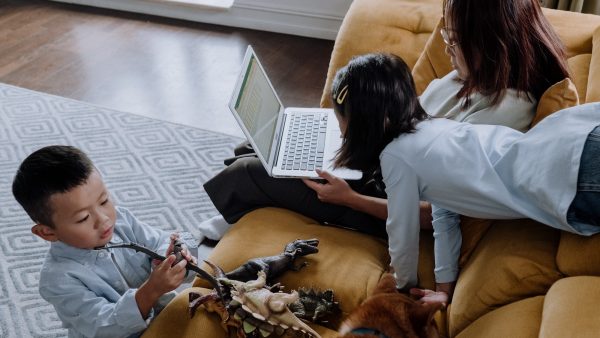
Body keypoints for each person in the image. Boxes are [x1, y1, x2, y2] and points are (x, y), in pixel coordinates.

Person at [200, 0, 570, 240]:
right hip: (381, 163)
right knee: (261, 146)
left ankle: (232, 217)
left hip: (384, 202)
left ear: (490, 44)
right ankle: (247, 204)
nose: (446, 46)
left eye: (454, 40)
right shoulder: (476, 76)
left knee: (249, 171)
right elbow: (416, 122)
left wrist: (349, 199)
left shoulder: (503, 116)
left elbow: (435, 215)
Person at [329, 52, 600, 304]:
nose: (340, 130)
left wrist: (401, 288)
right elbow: (445, 214)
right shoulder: (432, 128)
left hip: (570, 173)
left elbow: (402, 233)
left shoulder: (395, 157)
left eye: (341, 119)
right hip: (573, 141)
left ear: (366, 124)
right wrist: (443, 290)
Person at [11, 145, 197, 338]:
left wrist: (171, 254)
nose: (104, 219)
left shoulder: (122, 219)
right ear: (47, 233)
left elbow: (159, 239)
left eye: (104, 201)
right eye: (83, 218)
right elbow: (102, 326)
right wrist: (150, 291)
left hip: (166, 317)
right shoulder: (57, 279)